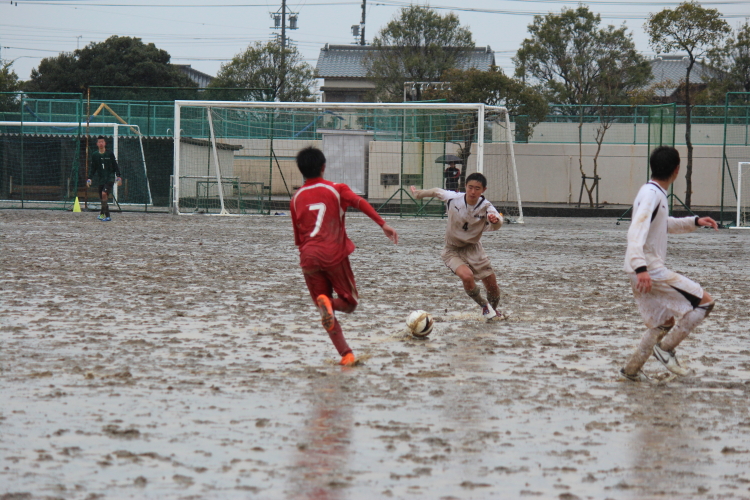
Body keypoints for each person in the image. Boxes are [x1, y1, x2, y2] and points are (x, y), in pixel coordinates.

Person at [290, 146, 398, 366]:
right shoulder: (336, 189)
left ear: (301, 170)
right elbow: (360, 202)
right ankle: (329, 305)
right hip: (333, 254)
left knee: (324, 311)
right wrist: (382, 224)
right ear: (323, 167)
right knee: (349, 303)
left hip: (308, 258)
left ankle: (346, 354)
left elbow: (298, 237)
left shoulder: (295, 198)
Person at [620, 146, 718, 382]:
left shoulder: (651, 192)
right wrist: (642, 268)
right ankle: (665, 350)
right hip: (649, 270)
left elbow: (663, 224)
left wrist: (695, 221)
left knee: (663, 323)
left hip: (640, 270)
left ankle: (631, 370)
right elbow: (636, 231)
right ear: (677, 170)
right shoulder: (653, 194)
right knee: (705, 303)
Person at [410, 172, 505, 321]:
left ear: (483, 190)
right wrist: (418, 194)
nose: (473, 192)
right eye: (470, 187)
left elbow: (498, 222)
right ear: (465, 187)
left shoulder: (486, 206)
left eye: (477, 188)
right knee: (467, 276)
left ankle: (493, 311)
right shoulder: (454, 198)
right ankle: (484, 306)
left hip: (474, 249)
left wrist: (495, 221)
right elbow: (436, 191)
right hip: (452, 250)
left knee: (493, 287)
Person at [87, 136, 121, 222]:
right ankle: (102, 214)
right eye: (99, 142)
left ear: (105, 143)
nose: (101, 143)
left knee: (104, 194)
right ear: (97, 144)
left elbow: (115, 165)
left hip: (109, 178)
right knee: (102, 198)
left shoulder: (109, 154)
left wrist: (118, 176)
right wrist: (89, 178)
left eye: (102, 142)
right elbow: (93, 168)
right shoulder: (95, 155)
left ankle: (108, 216)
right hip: (101, 179)